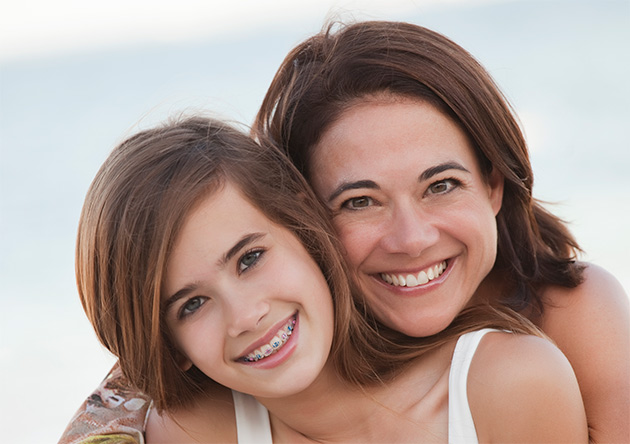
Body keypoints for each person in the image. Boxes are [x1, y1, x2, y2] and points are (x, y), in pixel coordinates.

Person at [59, 116, 586, 443]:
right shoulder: (193, 432)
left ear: (309, 233)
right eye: (191, 305)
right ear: (173, 348)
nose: (246, 316)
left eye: (249, 259)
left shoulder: (508, 385)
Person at [253, 20, 630, 442]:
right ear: (305, 220)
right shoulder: (273, 360)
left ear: (493, 185)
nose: (412, 240)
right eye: (360, 201)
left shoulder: (575, 314)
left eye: (441, 186)